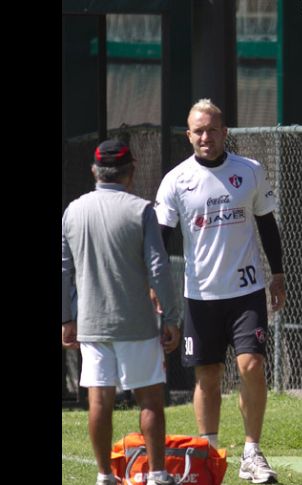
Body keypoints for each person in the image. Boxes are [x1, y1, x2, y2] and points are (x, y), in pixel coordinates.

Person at [154, 99, 286, 484]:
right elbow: (159, 239)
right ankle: (208, 454)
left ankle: (252, 452)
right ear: (188, 135)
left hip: (247, 292)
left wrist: (277, 274)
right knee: (208, 377)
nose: (206, 137)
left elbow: (268, 225)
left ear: (224, 131)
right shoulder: (176, 180)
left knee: (252, 365)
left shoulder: (248, 171)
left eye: (212, 129)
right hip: (200, 296)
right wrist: (154, 285)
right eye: (199, 131)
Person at [62, 140, 182, 485]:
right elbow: (158, 267)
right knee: (150, 400)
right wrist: (171, 316)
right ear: (131, 171)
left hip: (92, 324)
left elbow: (63, 270)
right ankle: (158, 474)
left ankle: (104, 476)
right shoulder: (141, 210)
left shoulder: (74, 210)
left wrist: (67, 319)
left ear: (94, 172)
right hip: (137, 324)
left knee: (99, 401)